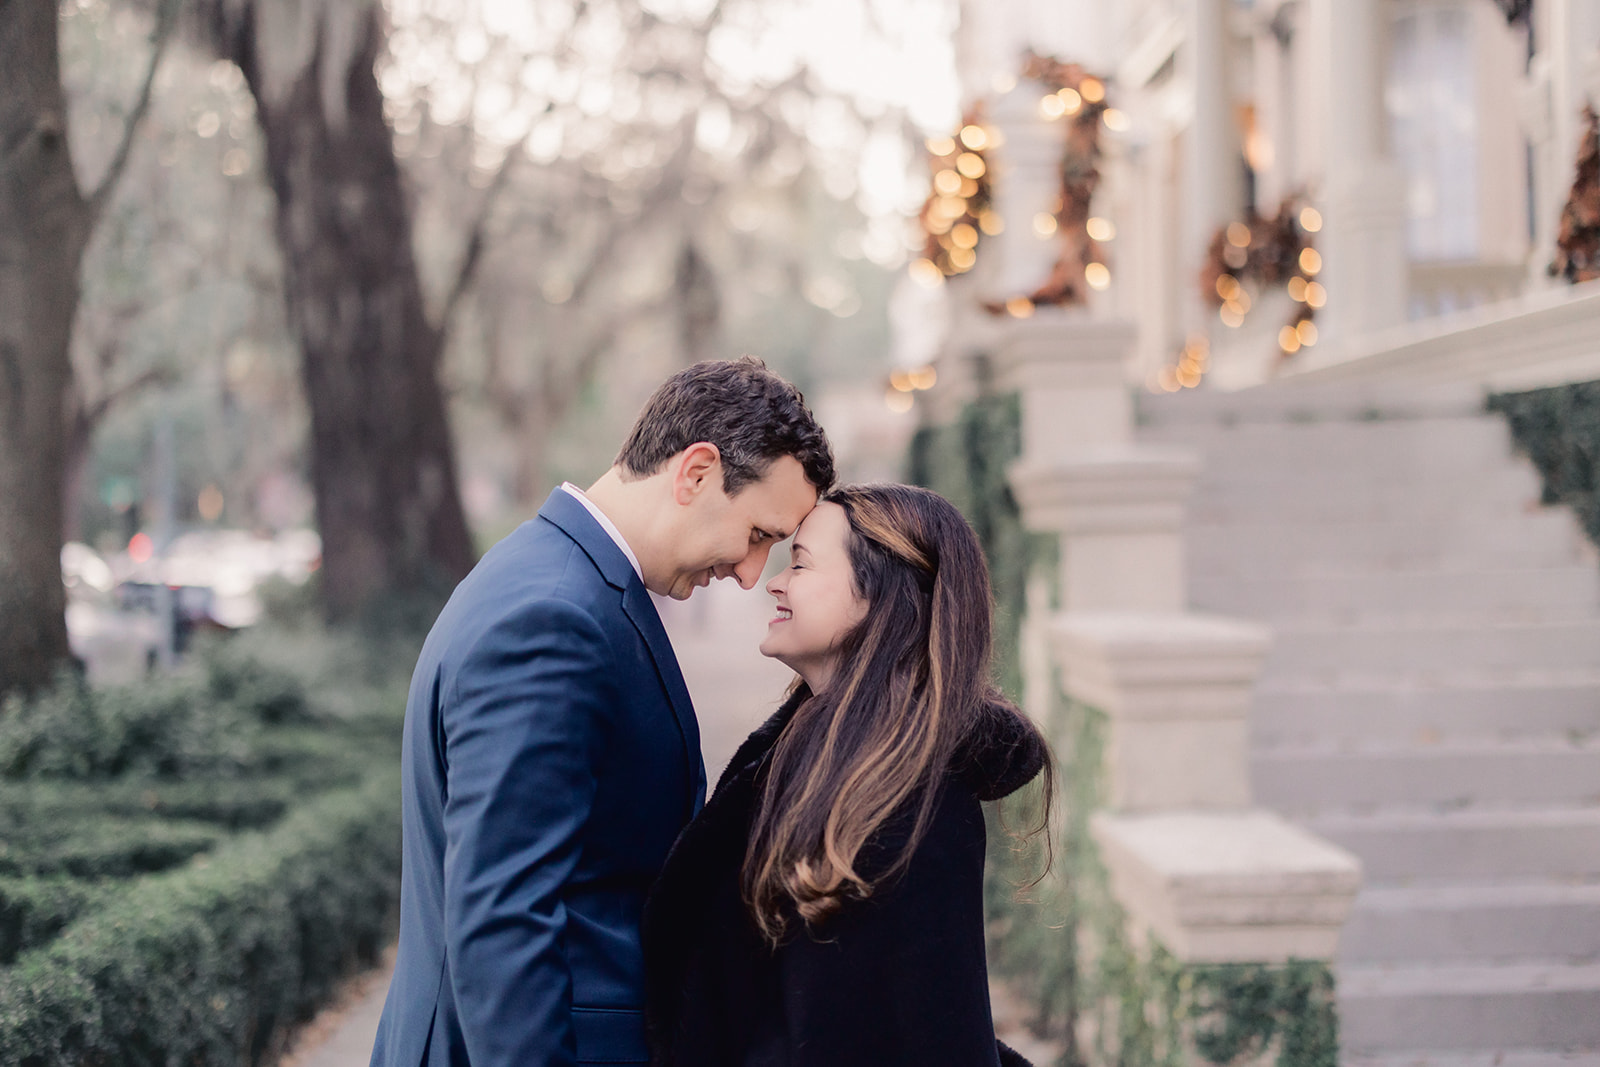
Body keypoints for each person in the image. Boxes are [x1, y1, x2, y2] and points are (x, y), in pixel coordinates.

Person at [370, 358, 835, 1067]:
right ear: (697, 472)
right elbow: (503, 926)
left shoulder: (563, 581)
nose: (749, 574)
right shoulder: (553, 617)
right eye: (758, 535)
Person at [642, 483, 1053, 1067]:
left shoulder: (913, 807)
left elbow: (931, 1032)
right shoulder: (811, 760)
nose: (774, 582)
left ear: (878, 597)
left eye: (801, 563)